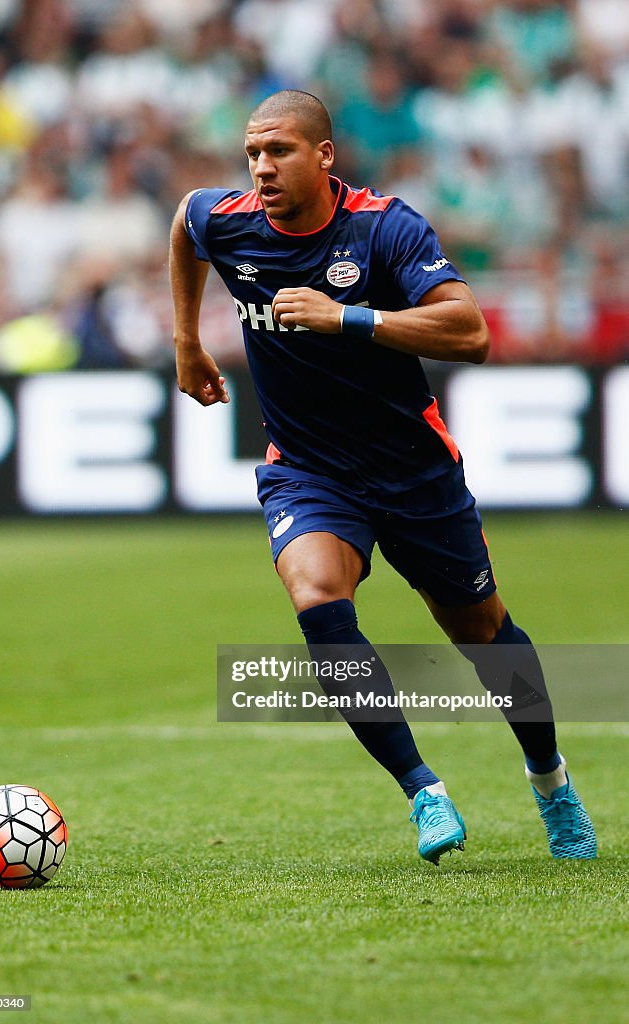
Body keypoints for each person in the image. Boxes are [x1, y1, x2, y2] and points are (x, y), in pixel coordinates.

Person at [169, 90, 596, 864]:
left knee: (482, 635)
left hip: (411, 471)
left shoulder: (383, 229)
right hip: (307, 469)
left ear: (323, 155)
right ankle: (423, 791)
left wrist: (347, 317)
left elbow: (469, 332)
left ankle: (550, 782)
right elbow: (183, 226)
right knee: (316, 598)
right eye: (252, 154)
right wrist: (186, 344)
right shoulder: (223, 219)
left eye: (279, 152)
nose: (261, 167)